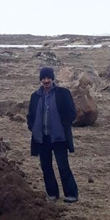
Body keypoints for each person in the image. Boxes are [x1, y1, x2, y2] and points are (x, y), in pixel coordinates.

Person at [27, 67, 79, 203]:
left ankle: (71, 194)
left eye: (48, 78)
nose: (46, 81)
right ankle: (52, 194)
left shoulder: (63, 93)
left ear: (52, 78)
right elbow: (30, 115)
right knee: (46, 167)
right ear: (40, 80)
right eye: (43, 78)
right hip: (42, 138)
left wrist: (63, 125)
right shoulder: (35, 96)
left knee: (63, 166)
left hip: (59, 138)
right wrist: (32, 127)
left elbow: (72, 112)